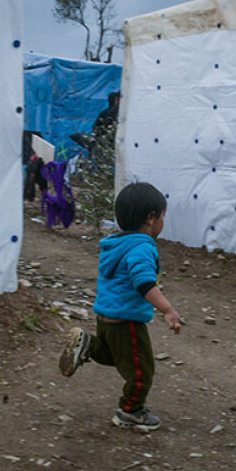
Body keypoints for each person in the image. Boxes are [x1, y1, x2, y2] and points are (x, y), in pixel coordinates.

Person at [58, 181, 182, 431]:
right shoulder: (142, 247)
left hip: (105, 317)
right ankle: (130, 411)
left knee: (114, 356)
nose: (162, 222)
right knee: (142, 371)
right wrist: (167, 309)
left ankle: (88, 344)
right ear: (150, 218)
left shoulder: (116, 243)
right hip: (127, 322)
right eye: (162, 217)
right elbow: (143, 281)